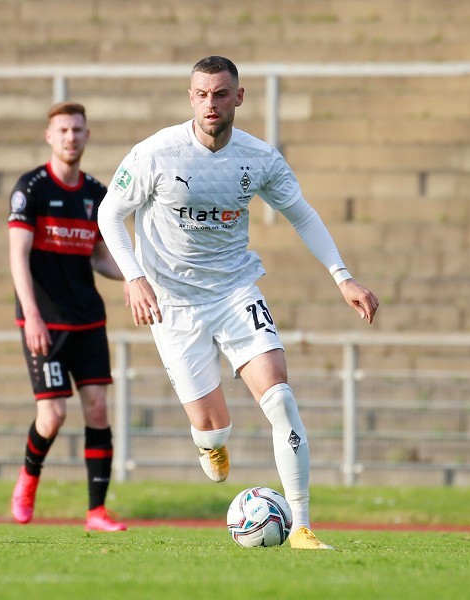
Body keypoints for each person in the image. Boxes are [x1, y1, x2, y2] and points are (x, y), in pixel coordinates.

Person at [97, 56, 379, 550]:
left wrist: (343, 278)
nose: (211, 103)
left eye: (221, 94)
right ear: (191, 97)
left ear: (239, 97)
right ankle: (212, 443)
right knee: (213, 426)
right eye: (202, 94)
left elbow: (303, 215)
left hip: (235, 291)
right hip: (174, 302)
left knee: (281, 398)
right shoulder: (156, 154)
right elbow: (109, 215)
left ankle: (303, 527)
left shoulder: (259, 158)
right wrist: (134, 277)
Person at [7, 101, 127, 532]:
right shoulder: (31, 189)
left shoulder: (97, 194)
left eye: (77, 130)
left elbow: (100, 259)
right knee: (53, 416)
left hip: (88, 318)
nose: (71, 137)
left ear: (87, 136)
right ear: (50, 137)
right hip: (45, 319)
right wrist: (32, 317)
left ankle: (96, 511)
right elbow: (18, 258)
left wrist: (135, 276)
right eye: (63, 130)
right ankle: (27, 480)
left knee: (97, 409)